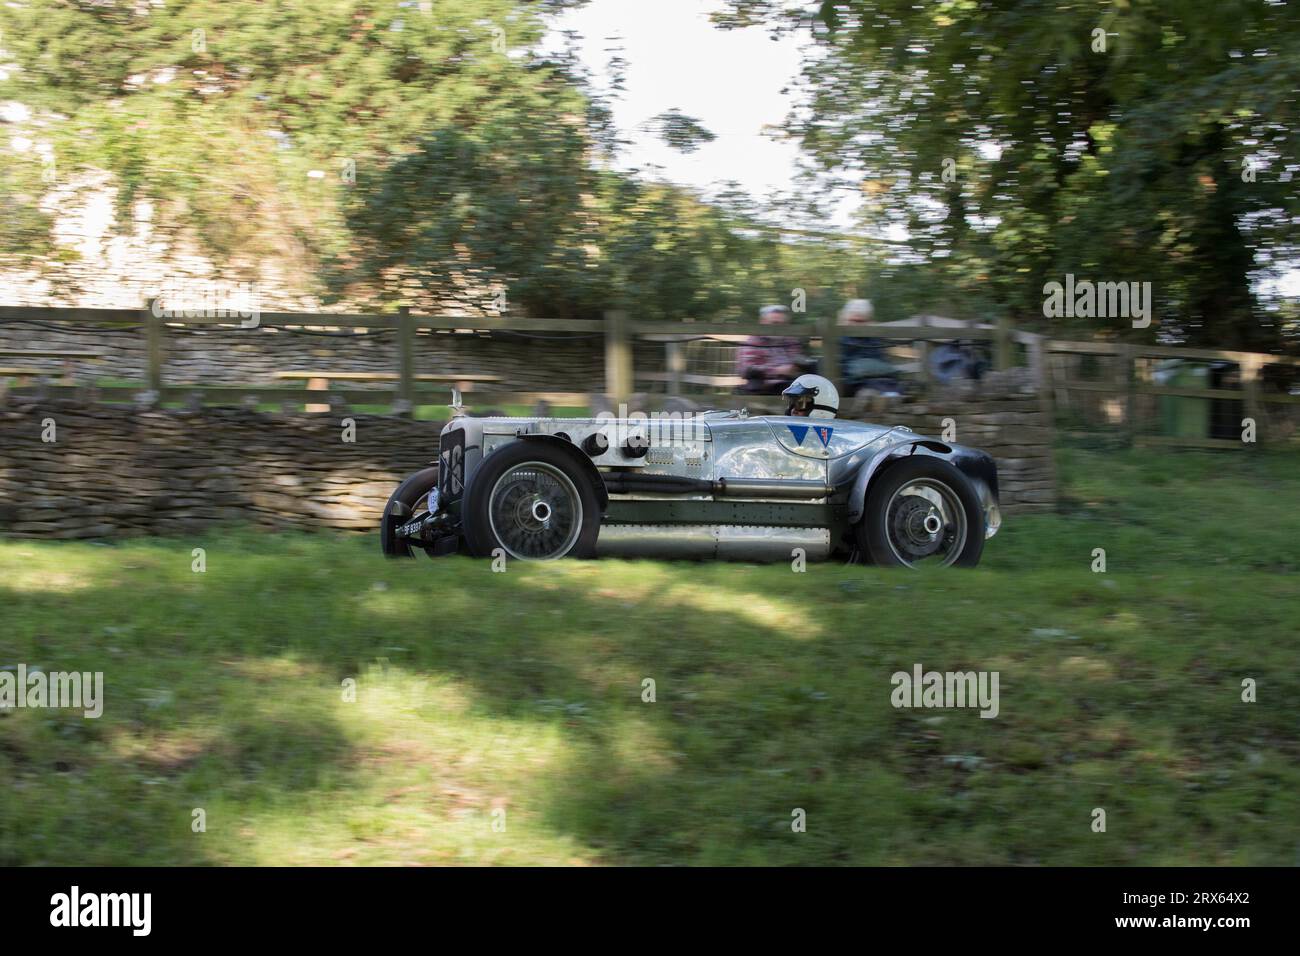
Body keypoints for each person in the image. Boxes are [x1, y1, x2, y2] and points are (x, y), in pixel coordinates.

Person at [735, 304, 814, 394]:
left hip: (792, 383)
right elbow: (746, 370)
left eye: (783, 324)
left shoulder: (790, 340)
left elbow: (797, 361)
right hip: (765, 387)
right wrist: (777, 371)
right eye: (775, 323)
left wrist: (798, 366)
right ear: (763, 322)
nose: (779, 328)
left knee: (817, 367)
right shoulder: (753, 342)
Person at [838, 299, 902, 398]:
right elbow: (841, 364)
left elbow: (881, 361)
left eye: (861, 321)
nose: (857, 324)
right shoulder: (840, 339)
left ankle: (891, 395)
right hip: (855, 382)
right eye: (854, 320)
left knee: (890, 385)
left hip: (879, 380)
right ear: (846, 319)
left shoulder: (874, 339)